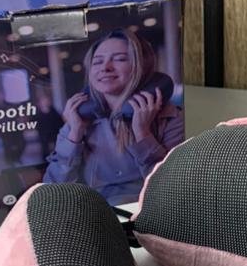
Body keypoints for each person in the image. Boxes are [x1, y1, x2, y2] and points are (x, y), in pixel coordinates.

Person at [43, 29, 183, 203]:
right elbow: (52, 191)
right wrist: (74, 136)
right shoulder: (78, 121)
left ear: (141, 67)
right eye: (97, 62)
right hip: (97, 214)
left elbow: (174, 189)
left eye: (120, 59)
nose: (105, 67)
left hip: (150, 213)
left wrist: (143, 134)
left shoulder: (171, 119)